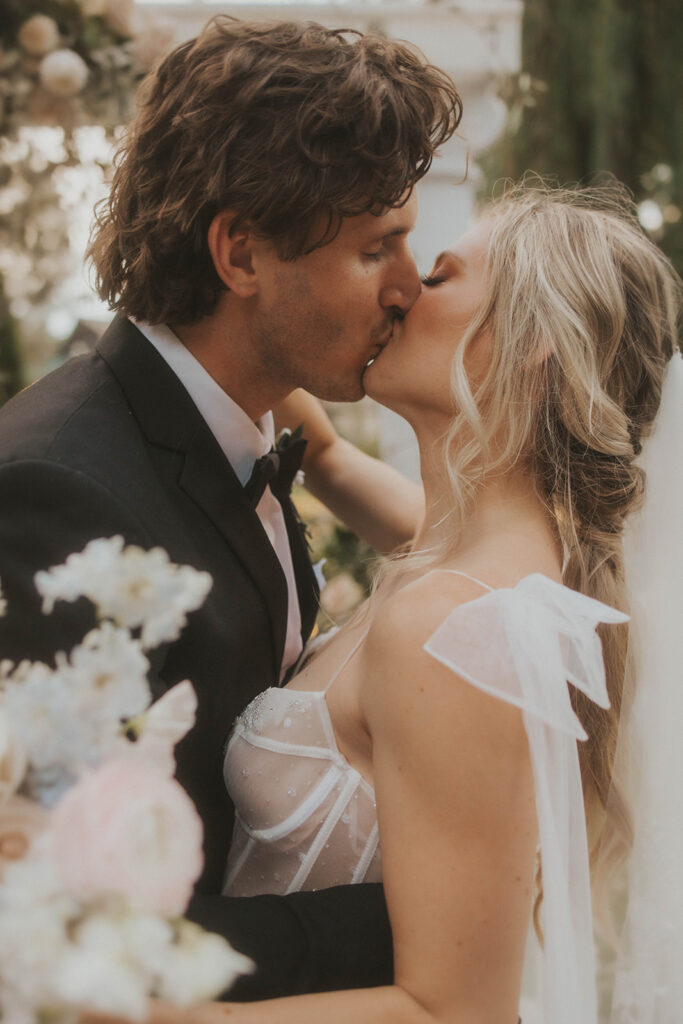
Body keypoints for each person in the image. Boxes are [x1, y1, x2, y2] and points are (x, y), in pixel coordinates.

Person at [97, 180, 679, 1023]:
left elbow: (451, 1011)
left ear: (531, 346)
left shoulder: (450, 625)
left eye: (438, 276)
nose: (400, 290)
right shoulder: (510, 572)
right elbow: (334, 462)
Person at [0, 16, 462, 999]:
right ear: (240, 255)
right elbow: (70, 928)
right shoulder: (60, 494)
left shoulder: (230, 430)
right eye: (376, 245)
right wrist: (435, 913)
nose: (405, 286)